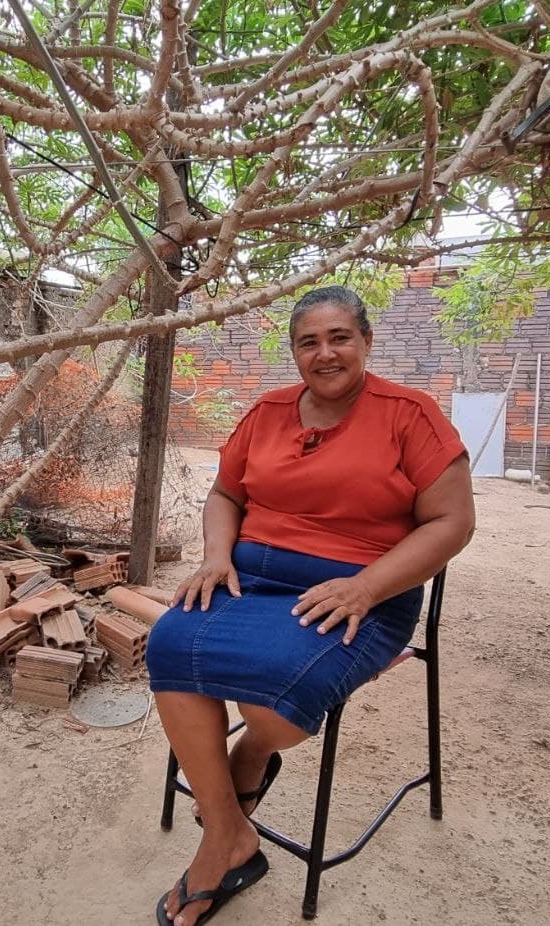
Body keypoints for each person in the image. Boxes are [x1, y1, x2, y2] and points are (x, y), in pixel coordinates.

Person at [145, 285, 475, 926]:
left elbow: (453, 523)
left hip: (359, 592)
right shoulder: (267, 412)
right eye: (308, 342)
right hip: (248, 578)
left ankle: (248, 757)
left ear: (366, 341)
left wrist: (366, 587)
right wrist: (216, 554)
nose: (325, 353)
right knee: (170, 643)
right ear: (295, 352)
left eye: (339, 337)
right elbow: (225, 495)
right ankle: (228, 835)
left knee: (274, 695)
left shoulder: (411, 415)